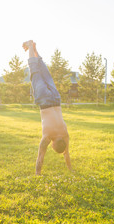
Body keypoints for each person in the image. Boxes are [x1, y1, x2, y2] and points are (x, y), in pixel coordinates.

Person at [23, 40, 72, 175]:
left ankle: (34, 48)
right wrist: (37, 174)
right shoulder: (48, 137)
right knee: (35, 72)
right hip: (44, 100)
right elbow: (40, 158)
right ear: (53, 144)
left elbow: (67, 155)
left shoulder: (65, 134)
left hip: (56, 99)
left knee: (45, 72)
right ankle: (30, 47)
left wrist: (71, 169)